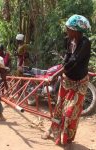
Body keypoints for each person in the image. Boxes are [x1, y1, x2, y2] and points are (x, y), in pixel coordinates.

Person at [41, 14, 91, 147]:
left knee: (70, 112)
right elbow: (67, 58)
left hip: (80, 83)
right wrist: (59, 74)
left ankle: (67, 138)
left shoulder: (85, 43)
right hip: (67, 80)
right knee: (58, 108)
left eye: (68, 29)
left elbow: (73, 62)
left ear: (76, 30)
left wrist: (55, 74)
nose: (66, 31)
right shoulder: (69, 40)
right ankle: (52, 131)